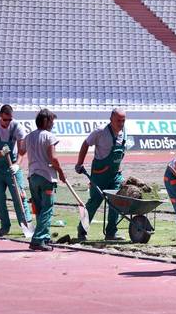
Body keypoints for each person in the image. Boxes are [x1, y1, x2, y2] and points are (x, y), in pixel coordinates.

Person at [75, 108, 127, 241]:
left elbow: (120, 153)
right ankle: (82, 231)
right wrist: (79, 163)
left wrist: (119, 167)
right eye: (118, 121)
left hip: (115, 175)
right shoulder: (100, 131)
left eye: (123, 120)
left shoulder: (124, 132)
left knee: (116, 202)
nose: (121, 123)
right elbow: (85, 144)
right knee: (94, 202)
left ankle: (111, 232)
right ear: (111, 120)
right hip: (99, 174)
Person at [0, 104, 32, 236]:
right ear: (0, 116)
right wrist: (1, 152)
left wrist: (17, 164)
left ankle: (26, 225)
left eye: (10, 120)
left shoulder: (17, 127)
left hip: (12, 167)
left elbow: (22, 150)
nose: (7, 122)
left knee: (20, 197)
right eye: (5, 120)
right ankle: (5, 226)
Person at [25, 108, 66, 251]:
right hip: (46, 177)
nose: (53, 124)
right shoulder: (49, 136)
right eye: (52, 121)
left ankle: (44, 236)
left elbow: (23, 151)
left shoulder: (29, 136)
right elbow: (53, 158)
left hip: (33, 176)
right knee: (47, 209)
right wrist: (60, 171)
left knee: (39, 209)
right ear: (45, 121)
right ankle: (38, 239)